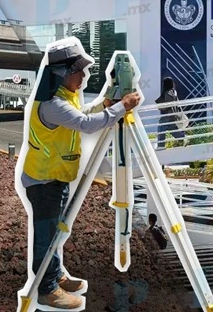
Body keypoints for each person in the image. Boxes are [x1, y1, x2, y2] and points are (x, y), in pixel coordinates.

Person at [21, 43, 141, 309]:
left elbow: (83, 115)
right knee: (46, 235)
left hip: (54, 177)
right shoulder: (53, 104)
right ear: (63, 72)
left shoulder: (65, 96)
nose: (83, 78)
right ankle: (47, 289)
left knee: (53, 233)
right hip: (44, 181)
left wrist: (106, 105)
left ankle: (54, 273)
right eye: (79, 72)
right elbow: (86, 125)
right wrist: (121, 107)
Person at [155, 77, 186, 150]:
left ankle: (161, 146)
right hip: (172, 115)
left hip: (168, 115)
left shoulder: (168, 92)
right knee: (172, 130)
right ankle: (184, 138)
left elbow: (169, 103)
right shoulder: (173, 92)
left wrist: (162, 105)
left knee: (161, 128)